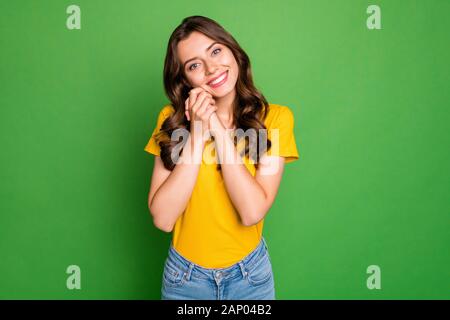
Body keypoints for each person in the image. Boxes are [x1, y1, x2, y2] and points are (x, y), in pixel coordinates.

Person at [144, 15, 299, 300]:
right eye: (194, 65)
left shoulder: (275, 120)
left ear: (233, 51)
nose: (211, 68)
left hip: (250, 278)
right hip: (185, 280)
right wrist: (199, 132)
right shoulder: (171, 121)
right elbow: (163, 218)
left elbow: (251, 212)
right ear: (184, 79)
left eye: (215, 51)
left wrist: (215, 125)